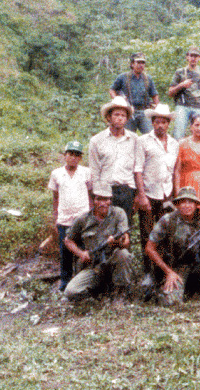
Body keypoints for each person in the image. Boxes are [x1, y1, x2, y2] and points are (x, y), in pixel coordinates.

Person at [145, 187, 200, 305]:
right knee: (170, 302)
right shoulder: (167, 220)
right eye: (183, 201)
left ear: (196, 205)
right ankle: (160, 288)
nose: (186, 205)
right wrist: (168, 272)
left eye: (190, 202)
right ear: (177, 204)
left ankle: (196, 287)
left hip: (195, 265)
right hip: (173, 267)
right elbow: (149, 248)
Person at [63, 183, 132, 301]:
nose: (103, 203)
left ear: (110, 200)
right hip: (93, 266)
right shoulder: (83, 219)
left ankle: (121, 294)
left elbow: (125, 242)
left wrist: (116, 243)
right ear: (93, 200)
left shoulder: (118, 213)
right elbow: (68, 240)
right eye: (99, 199)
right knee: (70, 292)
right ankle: (97, 293)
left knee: (123, 254)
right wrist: (81, 254)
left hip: (113, 261)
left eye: (106, 199)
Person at [89, 96, 143, 227]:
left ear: (127, 118)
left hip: (126, 190)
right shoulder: (97, 140)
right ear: (109, 117)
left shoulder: (134, 139)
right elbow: (94, 171)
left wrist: (138, 194)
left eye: (123, 115)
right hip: (105, 191)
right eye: (116, 114)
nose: (120, 118)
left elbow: (137, 168)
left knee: (124, 229)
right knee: (104, 229)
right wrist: (96, 196)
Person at [48, 140, 93, 291]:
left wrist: (91, 214)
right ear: (65, 155)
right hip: (64, 218)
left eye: (76, 155)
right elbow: (55, 197)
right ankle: (65, 281)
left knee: (82, 248)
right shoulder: (56, 174)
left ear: (80, 157)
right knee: (65, 251)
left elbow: (90, 193)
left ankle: (81, 280)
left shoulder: (86, 172)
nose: (73, 158)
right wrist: (56, 217)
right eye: (70, 154)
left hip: (83, 217)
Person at [137, 104, 179, 253]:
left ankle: (164, 269)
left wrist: (176, 195)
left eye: (164, 122)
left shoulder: (174, 144)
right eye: (157, 122)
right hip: (149, 193)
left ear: (168, 123)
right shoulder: (143, 141)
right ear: (152, 122)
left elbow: (176, 171)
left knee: (167, 232)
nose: (160, 125)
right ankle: (149, 271)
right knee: (147, 234)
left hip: (167, 194)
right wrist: (141, 196)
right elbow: (138, 170)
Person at [168, 46, 200, 139]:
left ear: (199, 58)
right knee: (179, 134)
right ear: (187, 57)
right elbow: (170, 93)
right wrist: (181, 85)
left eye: (196, 56)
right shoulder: (179, 72)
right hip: (182, 106)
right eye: (191, 55)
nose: (193, 58)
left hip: (198, 107)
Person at [109, 52, 159, 134]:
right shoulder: (123, 77)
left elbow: (154, 95)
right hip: (128, 111)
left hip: (144, 112)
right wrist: (117, 100)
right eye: (138, 62)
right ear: (132, 64)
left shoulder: (148, 78)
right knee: (127, 136)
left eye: (143, 63)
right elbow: (112, 90)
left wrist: (157, 110)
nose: (141, 65)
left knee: (150, 135)